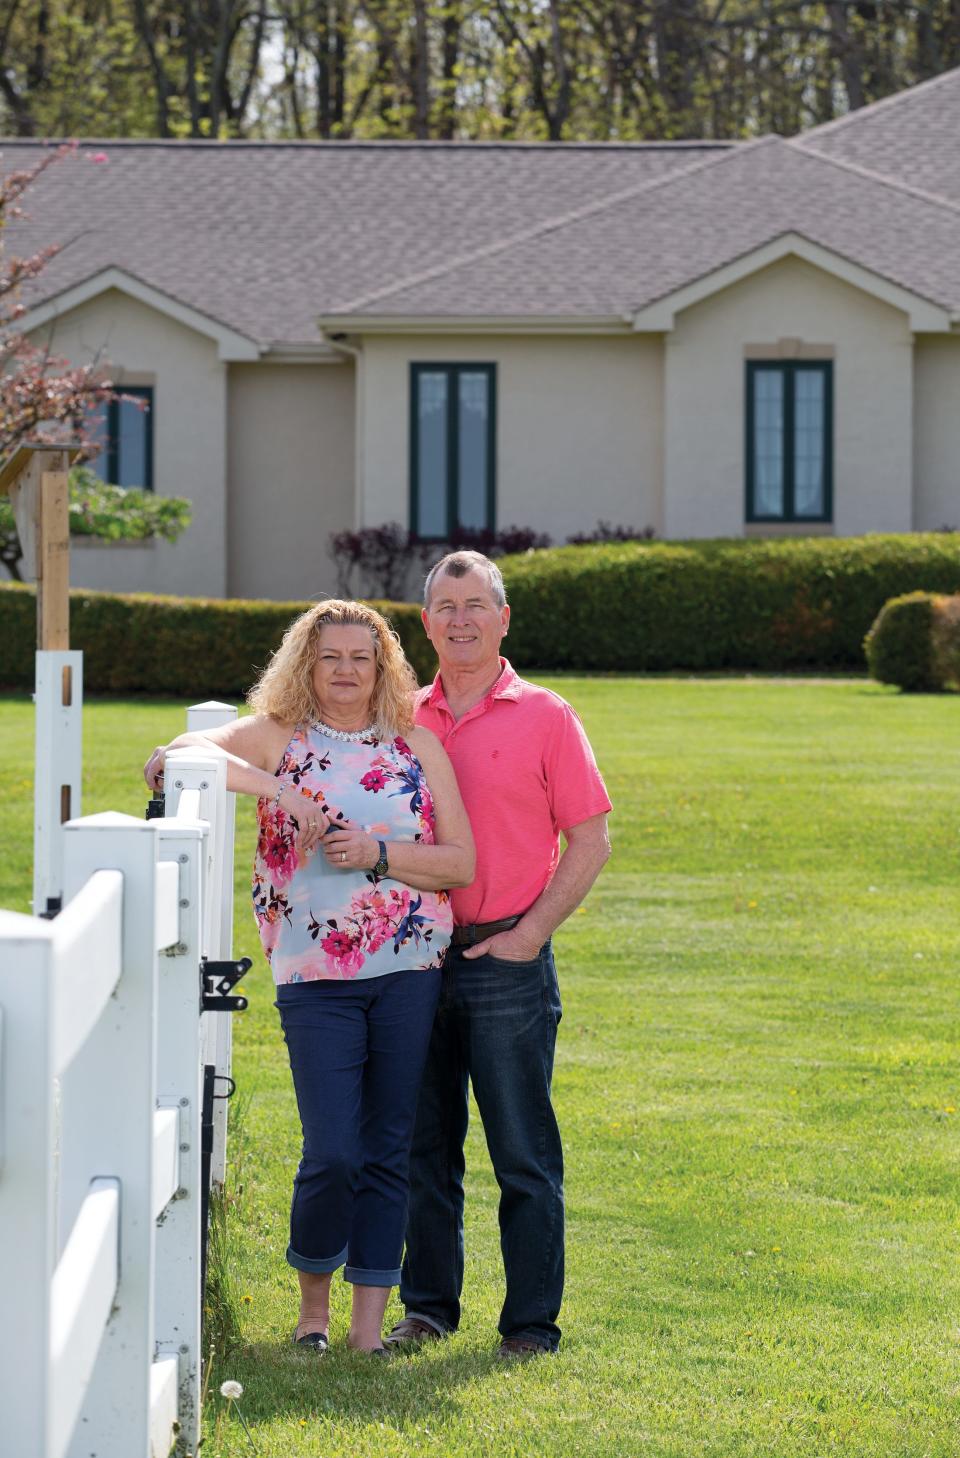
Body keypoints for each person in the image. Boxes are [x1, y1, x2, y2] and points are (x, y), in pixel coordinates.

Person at [143, 600, 474, 1356]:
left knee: (388, 1146)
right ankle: (312, 1311)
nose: (348, 671)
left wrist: (380, 856)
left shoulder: (418, 746)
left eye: (363, 657)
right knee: (332, 1150)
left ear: (384, 666)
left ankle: (363, 1334)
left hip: (411, 964)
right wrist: (283, 791)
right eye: (332, 657)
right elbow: (185, 751)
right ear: (306, 665)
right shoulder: (276, 739)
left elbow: (461, 864)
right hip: (313, 972)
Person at [385, 550, 612, 1358]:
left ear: (503, 618)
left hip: (507, 959)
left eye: (476, 604)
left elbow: (590, 837)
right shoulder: (401, 717)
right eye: (445, 607)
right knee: (423, 1147)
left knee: (521, 1150)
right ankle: (428, 1308)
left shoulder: (547, 714)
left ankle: (529, 1325)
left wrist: (531, 936)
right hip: (414, 959)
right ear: (426, 624)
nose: (461, 619)